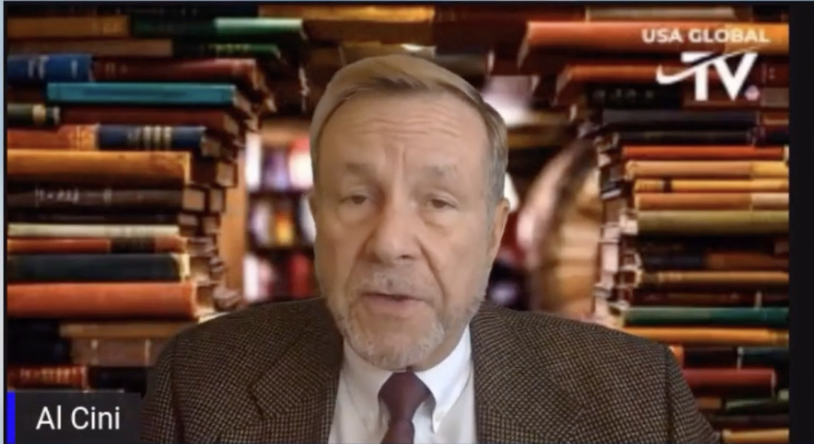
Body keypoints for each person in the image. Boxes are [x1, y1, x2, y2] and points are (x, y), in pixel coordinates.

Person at [140, 54, 718, 444]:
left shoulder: (638, 398)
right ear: (317, 219)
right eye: (357, 198)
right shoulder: (198, 384)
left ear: (493, 234)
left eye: (438, 202)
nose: (390, 245)